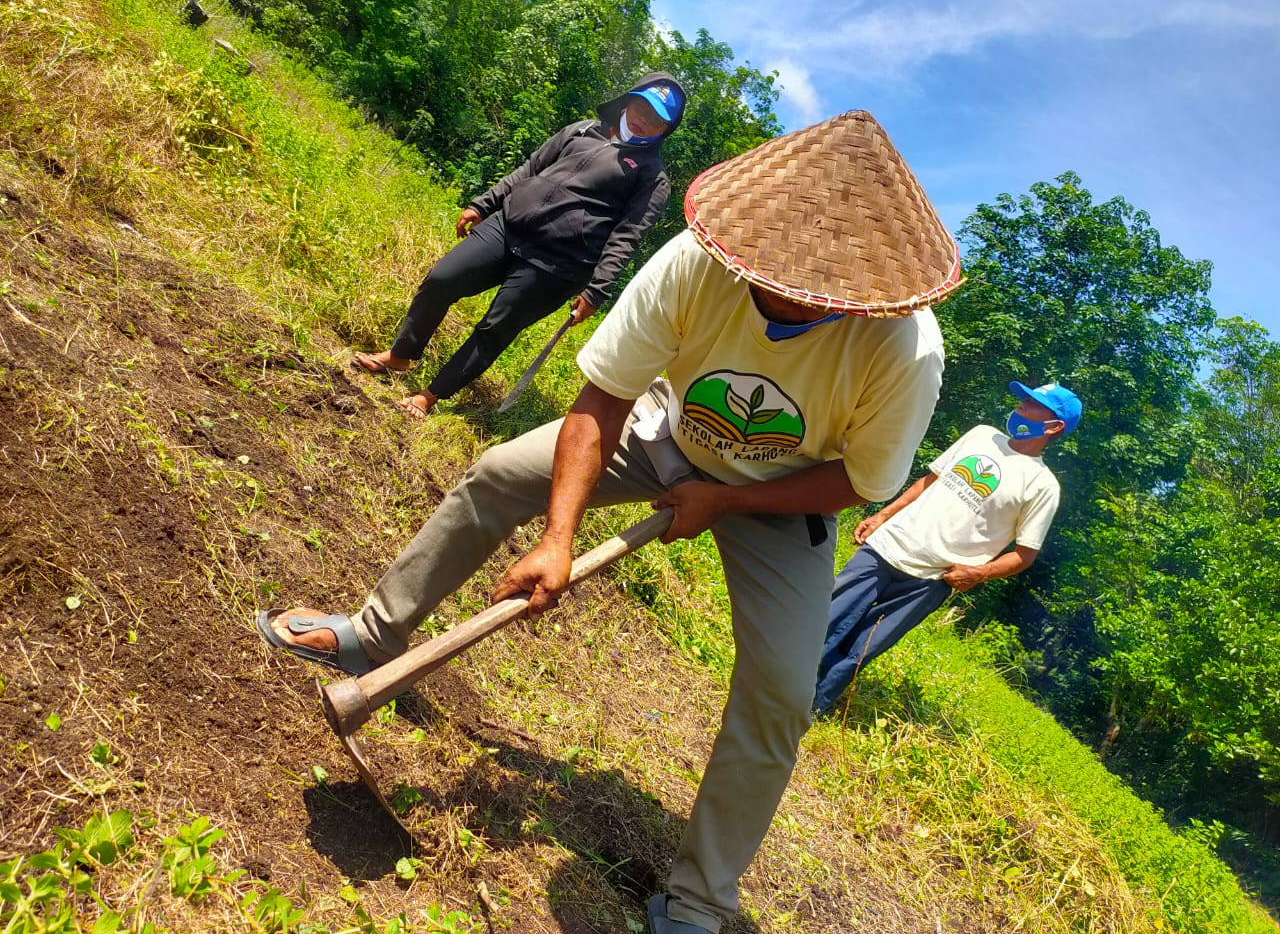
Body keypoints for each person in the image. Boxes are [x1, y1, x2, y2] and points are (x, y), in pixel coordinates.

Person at [258, 111, 963, 933]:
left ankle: (699, 900)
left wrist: (723, 500)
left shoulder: (905, 350)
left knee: (780, 691)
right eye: (770, 268)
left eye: (811, 288)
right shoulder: (699, 262)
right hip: (657, 433)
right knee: (496, 477)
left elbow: (856, 482)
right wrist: (557, 538)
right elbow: (605, 397)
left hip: (784, 497)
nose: (781, 289)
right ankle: (370, 638)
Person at [351, 72, 686, 417]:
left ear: (665, 130)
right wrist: (484, 204)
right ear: (628, 101)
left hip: (556, 266)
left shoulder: (652, 177)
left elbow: (627, 235)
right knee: (442, 278)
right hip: (508, 226)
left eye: (656, 119)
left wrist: (596, 291)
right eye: (642, 108)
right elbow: (530, 168)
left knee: (494, 329)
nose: (643, 121)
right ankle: (401, 355)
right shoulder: (583, 130)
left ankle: (428, 397)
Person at [810, 381, 1082, 718]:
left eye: (1034, 403)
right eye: (1024, 398)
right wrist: (881, 515)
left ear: (1054, 426)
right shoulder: (982, 435)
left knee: (861, 648)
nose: (1022, 405)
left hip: (930, 579)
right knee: (826, 618)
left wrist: (978, 573)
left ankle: (807, 709)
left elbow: (1024, 554)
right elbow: (930, 479)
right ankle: (774, 680)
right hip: (888, 546)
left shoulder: (1043, 486)